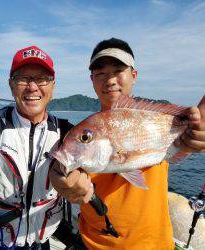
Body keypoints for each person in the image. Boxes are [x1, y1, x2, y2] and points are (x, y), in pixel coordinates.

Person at [49, 38, 205, 250]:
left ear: (134, 75)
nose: (110, 80)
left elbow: (189, 137)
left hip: (154, 244)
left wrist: (196, 137)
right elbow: (60, 169)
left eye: (118, 70)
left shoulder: (156, 120)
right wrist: (60, 180)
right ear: (92, 79)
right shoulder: (78, 132)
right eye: (101, 73)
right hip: (92, 244)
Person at [0, 45, 73, 249]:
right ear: (11, 85)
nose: (32, 87)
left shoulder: (66, 132)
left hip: (41, 240)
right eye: (23, 78)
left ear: (53, 86)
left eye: (41, 79)